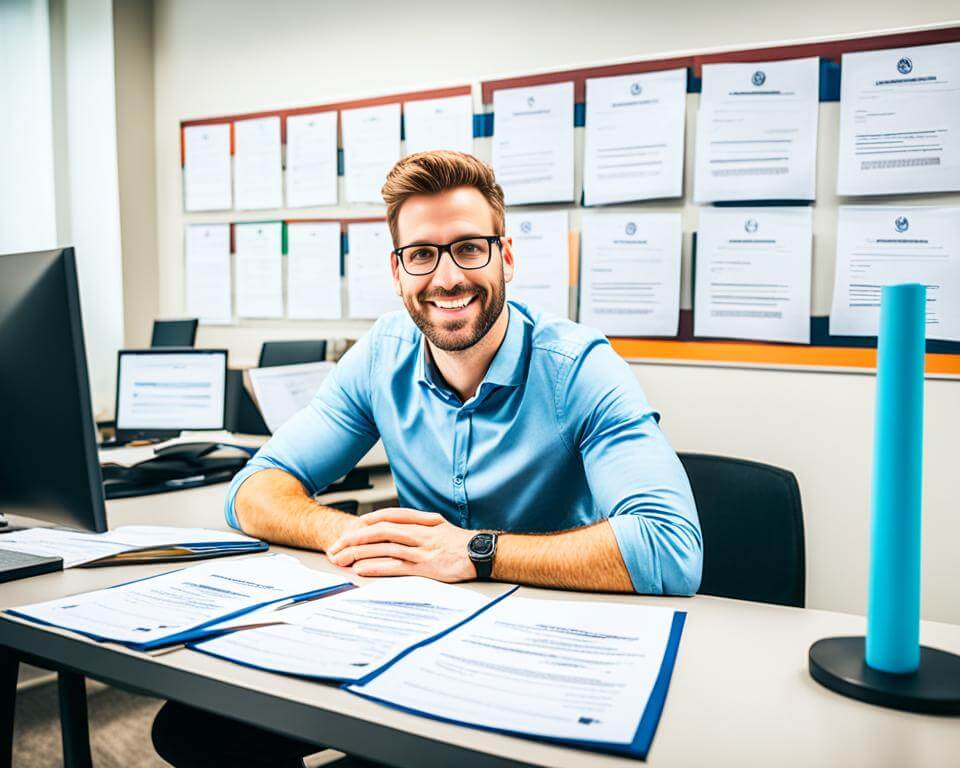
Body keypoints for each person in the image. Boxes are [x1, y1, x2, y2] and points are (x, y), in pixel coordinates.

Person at [152, 150, 702, 767]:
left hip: (542, 639)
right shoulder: (380, 357)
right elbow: (252, 489)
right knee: (198, 728)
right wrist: (350, 533)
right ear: (397, 270)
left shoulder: (579, 369)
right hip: (412, 626)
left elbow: (670, 549)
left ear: (506, 257)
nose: (446, 278)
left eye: (469, 247)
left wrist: (473, 552)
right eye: (422, 255)